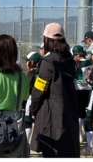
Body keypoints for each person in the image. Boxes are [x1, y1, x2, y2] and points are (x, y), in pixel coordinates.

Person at [30, 23, 79, 157]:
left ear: (47, 40)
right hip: (70, 115)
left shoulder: (48, 61)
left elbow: (39, 89)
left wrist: (33, 109)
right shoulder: (69, 60)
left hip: (52, 118)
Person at [72, 44, 92, 144]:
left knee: (79, 114)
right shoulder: (90, 62)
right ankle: (84, 136)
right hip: (88, 90)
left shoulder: (76, 64)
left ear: (77, 55)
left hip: (79, 90)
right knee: (84, 114)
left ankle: (80, 136)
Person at [24, 51, 42, 143]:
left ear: (32, 62)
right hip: (41, 100)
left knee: (27, 121)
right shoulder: (42, 72)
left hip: (32, 100)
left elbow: (26, 90)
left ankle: (26, 143)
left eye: (27, 61)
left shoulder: (31, 74)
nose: (26, 63)